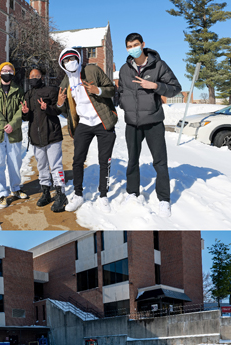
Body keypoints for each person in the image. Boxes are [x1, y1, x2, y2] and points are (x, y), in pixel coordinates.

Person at [118, 33, 181, 218]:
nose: (132, 48)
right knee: (132, 161)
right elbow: (121, 92)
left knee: (160, 162)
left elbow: (176, 88)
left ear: (143, 45)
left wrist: (155, 86)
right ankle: (132, 193)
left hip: (153, 122)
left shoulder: (158, 65)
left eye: (135, 44)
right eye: (129, 46)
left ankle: (164, 199)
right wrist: (125, 106)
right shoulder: (124, 69)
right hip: (133, 124)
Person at [56, 47, 118, 213]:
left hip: (102, 121)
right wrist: (60, 104)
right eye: (66, 61)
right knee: (77, 160)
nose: (70, 63)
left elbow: (112, 89)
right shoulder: (65, 83)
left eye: (72, 59)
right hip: (83, 124)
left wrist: (98, 90)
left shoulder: (92, 70)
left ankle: (103, 195)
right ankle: (78, 194)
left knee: (104, 160)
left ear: (78, 58)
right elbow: (65, 111)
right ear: (62, 64)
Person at [21, 68, 68, 210]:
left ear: (42, 77)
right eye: (31, 76)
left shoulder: (51, 91)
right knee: (41, 166)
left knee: (55, 165)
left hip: (52, 134)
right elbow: (27, 118)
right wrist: (25, 113)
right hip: (36, 137)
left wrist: (48, 107)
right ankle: (46, 191)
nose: (34, 78)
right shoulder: (28, 94)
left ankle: (61, 194)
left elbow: (59, 110)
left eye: (36, 75)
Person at [0, 62, 27, 207]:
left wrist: (13, 125)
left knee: (15, 162)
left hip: (14, 133)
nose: (6, 72)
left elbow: (20, 110)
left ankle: (15, 188)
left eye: (9, 70)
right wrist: (4, 125)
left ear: (13, 73)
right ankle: (2, 193)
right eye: (4, 70)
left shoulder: (19, 90)